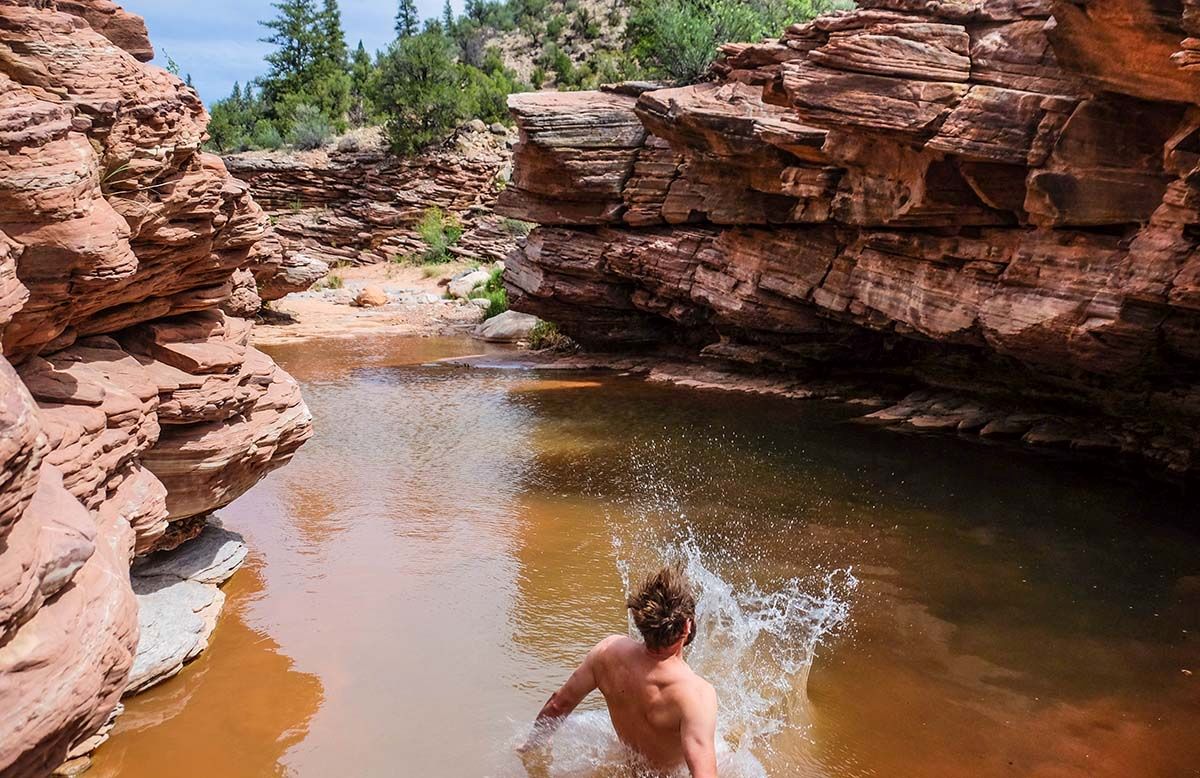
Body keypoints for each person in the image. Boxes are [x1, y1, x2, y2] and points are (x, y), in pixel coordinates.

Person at [520, 564, 719, 777]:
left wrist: (530, 748)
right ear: (687, 626)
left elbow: (558, 705)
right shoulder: (697, 696)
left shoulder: (608, 652)